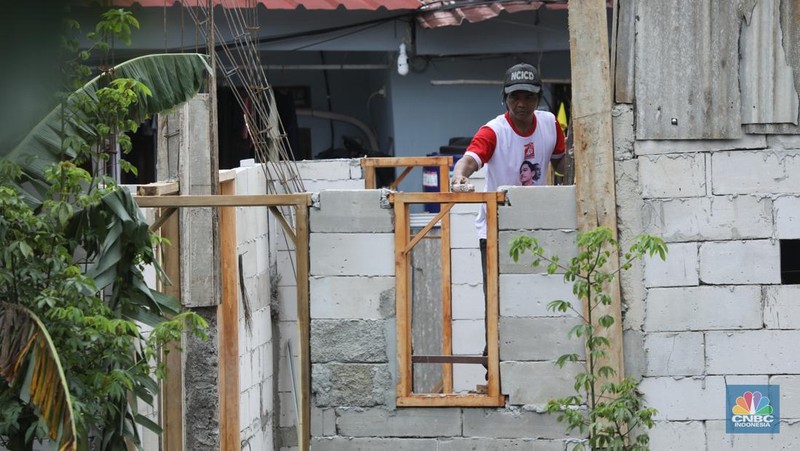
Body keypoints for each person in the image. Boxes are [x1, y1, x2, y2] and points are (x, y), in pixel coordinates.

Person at [450, 62, 566, 377]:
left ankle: (533, 365)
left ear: (538, 98)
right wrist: (459, 176)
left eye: (528, 97)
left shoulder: (550, 125)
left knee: (537, 297)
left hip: (536, 227)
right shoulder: (494, 131)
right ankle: (495, 370)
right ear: (505, 98)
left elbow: (562, 165)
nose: (521, 103)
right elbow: (469, 160)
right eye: (515, 96)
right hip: (496, 231)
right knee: (497, 301)